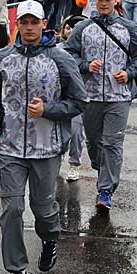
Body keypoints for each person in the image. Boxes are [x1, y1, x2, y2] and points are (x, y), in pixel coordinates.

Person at [0, 0, 88, 274]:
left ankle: (49, 238)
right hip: (9, 147)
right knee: (12, 208)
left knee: (43, 208)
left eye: (35, 22)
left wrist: (48, 111)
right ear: (17, 25)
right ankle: (17, 270)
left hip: (46, 147)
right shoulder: (3, 57)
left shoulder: (60, 58)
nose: (29, 28)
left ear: (44, 24)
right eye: (24, 22)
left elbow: (78, 101)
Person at [65, 0, 137, 212]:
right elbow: (68, 52)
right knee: (93, 143)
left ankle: (105, 191)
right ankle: (102, 170)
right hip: (90, 96)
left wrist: (129, 72)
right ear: (95, 1)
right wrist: (85, 65)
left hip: (119, 96)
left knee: (112, 143)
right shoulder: (83, 27)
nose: (103, 3)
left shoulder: (128, 28)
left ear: (115, 1)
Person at [57, 14, 87, 182]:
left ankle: (74, 163)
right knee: (58, 131)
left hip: (77, 99)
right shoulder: (57, 48)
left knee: (75, 132)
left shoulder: (89, 50)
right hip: (59, 97)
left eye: (75, 29)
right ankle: (58, 154)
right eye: (68, 28)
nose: (71, 32)